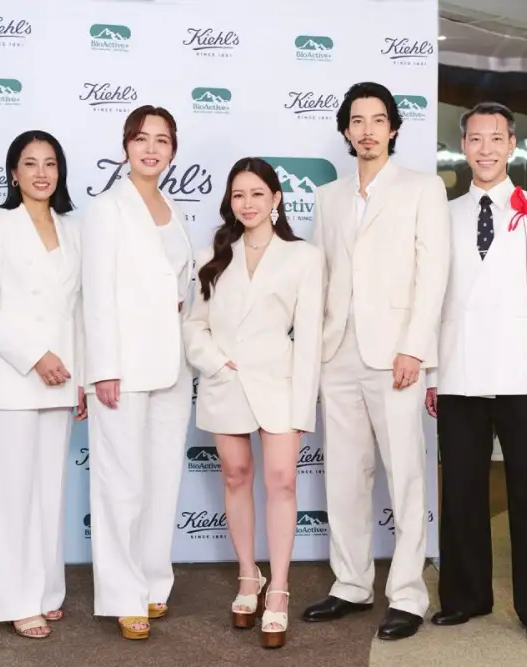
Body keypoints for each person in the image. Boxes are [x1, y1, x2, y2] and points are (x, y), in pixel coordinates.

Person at [302, 81, 450, 641]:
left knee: (406, 476)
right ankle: (351, 584)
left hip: (395, 354)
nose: (367, 130)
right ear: (346, 130)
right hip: (337, 351)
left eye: (378, 120)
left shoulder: (422, 187)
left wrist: (415, 347)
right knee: (344, 476)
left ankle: (408, 593)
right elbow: (322, 275)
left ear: (393, 128)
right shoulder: (328, 196)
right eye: (357, 121)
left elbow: (433, 274)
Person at [425, 102, 527, 646]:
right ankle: (465, 596)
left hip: (522, 373)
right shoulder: (442, 214)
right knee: (462, 490)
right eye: (475, 139)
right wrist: (432, 373)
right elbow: (431, 299)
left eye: (496, 138)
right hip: (458, 369)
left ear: (512, 145)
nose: (485, 149)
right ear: (463, 146)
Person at [183, 157, 324, 649]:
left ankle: (279, 587)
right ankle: (249, 575)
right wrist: (215, 362)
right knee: (236, 476)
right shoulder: (212, 255)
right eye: (238, 194)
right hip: (225, 381)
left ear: (276, 198)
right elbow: (194, 324)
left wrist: (303, 406)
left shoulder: (303, 257)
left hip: (280, 384)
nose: (247, 203)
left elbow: (309, 339)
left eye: (257, 193)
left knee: (282, 480)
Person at [0, 130, 87, 640]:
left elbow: (78, 311)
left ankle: (45, 591)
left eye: (50, 163)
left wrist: (81, 377)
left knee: (48, 492)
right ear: (13, 173)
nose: (42, 172)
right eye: (30, 163)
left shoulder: (72, 229)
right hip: (15, 376)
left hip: (62, 379)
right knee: (12, 493)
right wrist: (35, 356)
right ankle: (13, 600)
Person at [82, 105, 193, 641]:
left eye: (162, 140)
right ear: (126, 145)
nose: (152, 148)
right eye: (142, 138)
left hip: (173, 364)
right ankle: (123, 596)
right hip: (123, 366)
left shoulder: (175, 209)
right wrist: (103, 368)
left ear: (173, 149)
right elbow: (96, 294)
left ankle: (152, 583)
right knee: (120, 483)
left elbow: (181, 285)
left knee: (161, 480)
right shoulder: (107, 209)